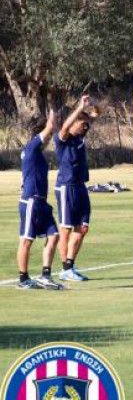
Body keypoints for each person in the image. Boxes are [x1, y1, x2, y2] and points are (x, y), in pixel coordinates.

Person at [17, 110, 65, 290]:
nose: (50, 138)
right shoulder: (31, 147)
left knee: (54, 236)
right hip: (31, 202)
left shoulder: (36, 153)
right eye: (49, 135)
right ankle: (23, 279)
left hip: (42, 203)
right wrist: (52, 111)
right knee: (26, 240)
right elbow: (51, 126)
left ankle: (45, 275)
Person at [56, 95, 96, 282]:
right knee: (65, 229)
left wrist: (90, 105)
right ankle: (65, 268)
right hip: (66, 187)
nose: (86, 128)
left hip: (80, 187)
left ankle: (70, 264)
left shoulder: (81, 136)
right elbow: (65, 127)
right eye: (82, 125)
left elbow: (96, 113)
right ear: (74, 124)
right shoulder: (63, 138)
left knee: (83, 228)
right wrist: (80, 107)